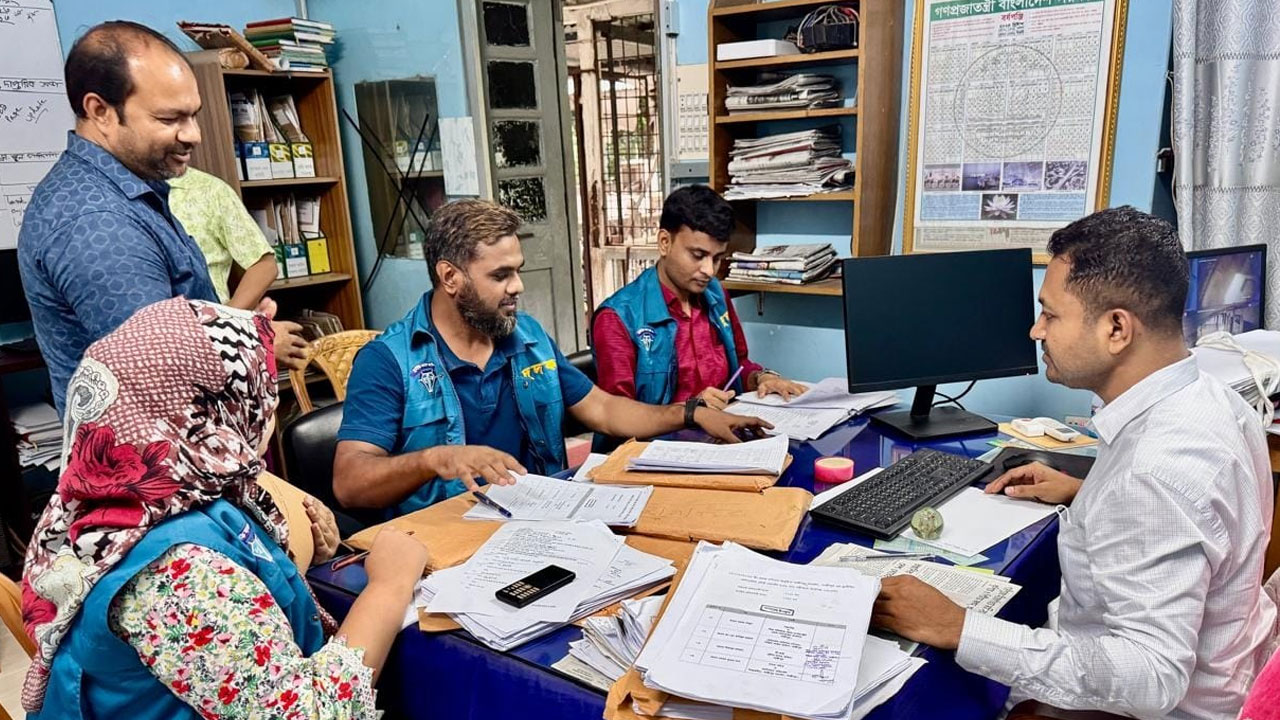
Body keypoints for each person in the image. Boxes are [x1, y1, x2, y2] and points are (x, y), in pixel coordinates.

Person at [872, 206, 1277, 719]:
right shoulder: (1213, 399)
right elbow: (1200, 520)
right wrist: (1088, 492)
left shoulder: (1155, 471)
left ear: (1116, 329)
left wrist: (958, 626)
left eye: (1051, 314)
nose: (1035, 331)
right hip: (1233, 674)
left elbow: (1151, 679)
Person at [19, 297, 427, 719]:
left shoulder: (141, 497)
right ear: (211, 414)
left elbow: (238, 591)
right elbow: (307, 714)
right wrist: (389, 586)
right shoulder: (175, 573)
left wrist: (301, 552)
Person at [334, 199, 771, 516]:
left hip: (539, 519)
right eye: (500, 275)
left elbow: (601, 408)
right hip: (444, 540)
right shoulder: (388, 361)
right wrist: (436, 459)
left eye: (518, 270)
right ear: (450, 277)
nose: (518, 286)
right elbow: (350, 483)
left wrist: (691, 414)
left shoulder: (527, 337)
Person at [17, 21, 306, 417]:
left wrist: (233, 324)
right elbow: (160, 370)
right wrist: (256, 343)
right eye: (170, 120)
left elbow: (176, 322)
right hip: (150, 466)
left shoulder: (134, 188)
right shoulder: (97, 223)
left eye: (194, 116)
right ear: (99, 110)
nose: (194, 135)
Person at [593, 185, 806, 411]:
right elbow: (616, 416)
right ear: (665, 242)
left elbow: (739, 366)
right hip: (658, 443)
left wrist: (761, 378)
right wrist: (689, 411)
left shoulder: (716, 295)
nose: (709, 270)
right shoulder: (618, 318)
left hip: (720, 432)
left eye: (716, 258)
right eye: (698, 255)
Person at [168, 166, 279, 310]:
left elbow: (265, 265)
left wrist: (228, 318)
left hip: (207, 322)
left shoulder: (209, 190)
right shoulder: (129, 201)